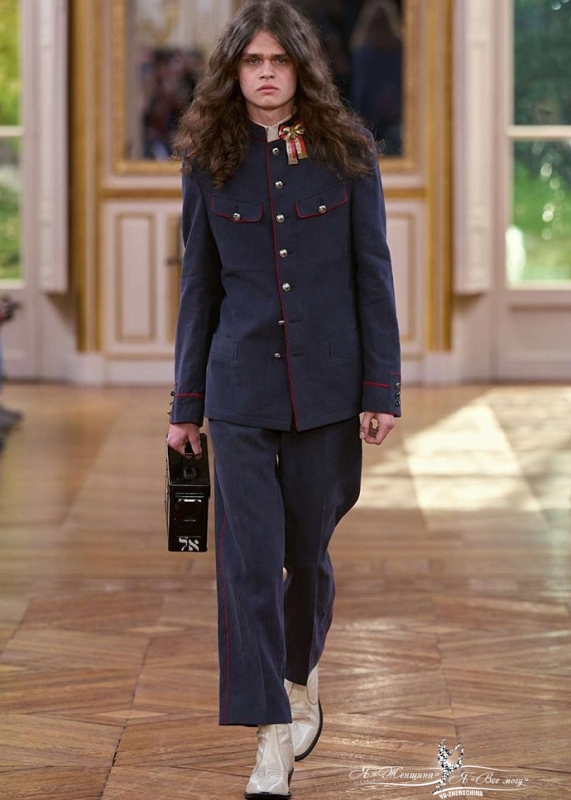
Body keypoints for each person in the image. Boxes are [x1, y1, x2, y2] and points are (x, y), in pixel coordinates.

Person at [167, 2, 401, 796]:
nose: (265, 74)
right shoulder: (209, 160)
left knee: (306, 557)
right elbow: (198, 288)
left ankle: (300, 678)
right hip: (238, 389)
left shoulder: (346, 152)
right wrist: (184, 405)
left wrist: (380, 387)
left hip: (329, 391)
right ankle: (269, 734)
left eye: (278, 61)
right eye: (252, 62)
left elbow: (373, 275)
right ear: (233, 71)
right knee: (246, 564)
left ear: (300, 67)